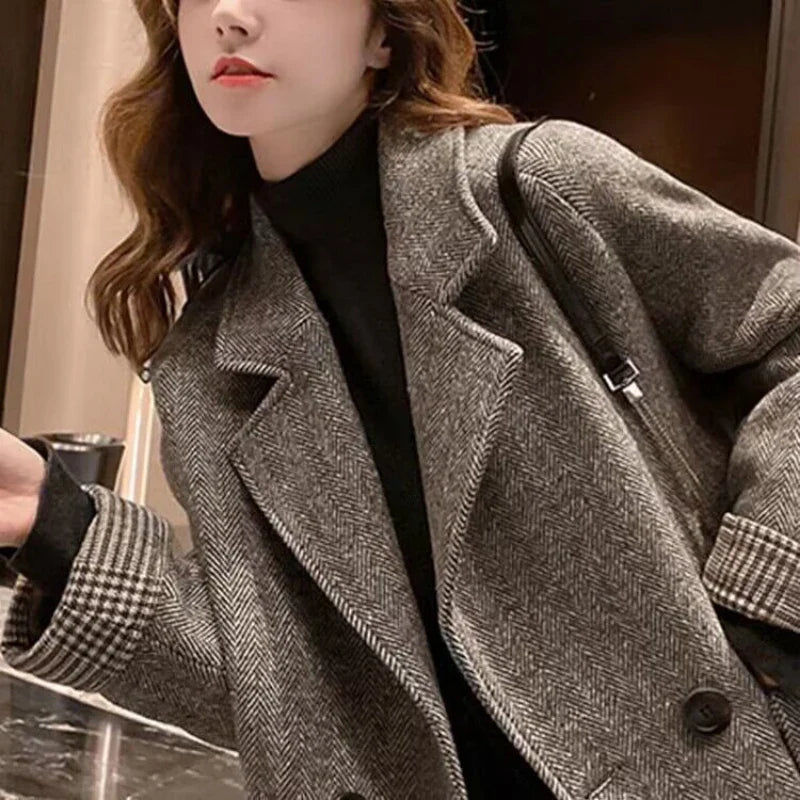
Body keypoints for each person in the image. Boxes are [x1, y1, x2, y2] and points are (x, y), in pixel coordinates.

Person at [2, 0, 800, 797]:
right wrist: (52, 522)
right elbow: (288, 701)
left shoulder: (534, 187)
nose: (231, 15)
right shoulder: (210, 359)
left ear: (385, 33)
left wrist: (762, 614)